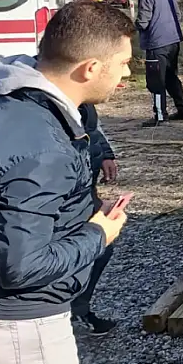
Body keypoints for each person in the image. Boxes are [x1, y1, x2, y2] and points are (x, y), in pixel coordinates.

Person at [0, 0, 132, 364]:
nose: (128, 71)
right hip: (16, 328)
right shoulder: (43, 147)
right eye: (124, 61)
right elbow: (19, 267)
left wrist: (83, 210)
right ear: (90, 68)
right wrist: (98, 234)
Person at [71, 103, 120, 336]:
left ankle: (78, 308)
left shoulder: (79, 97)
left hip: (85, 188)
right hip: (67, 193)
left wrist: (105, 154)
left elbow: (91, 126)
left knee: (103, 246)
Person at [128, 0, 183, 127]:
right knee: (171, 77)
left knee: (156, 80)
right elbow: (178, 15)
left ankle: (160, 115)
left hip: (156, 44)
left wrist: (130, 29)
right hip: (174, 40)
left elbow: (143, 21)